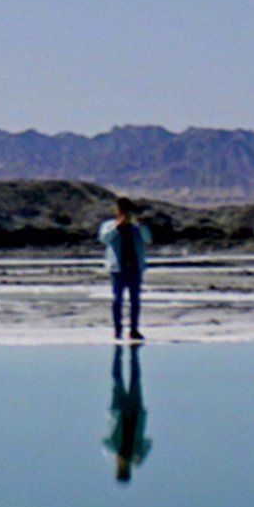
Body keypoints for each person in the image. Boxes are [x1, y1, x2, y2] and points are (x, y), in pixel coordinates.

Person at [98, 197, 150, 342]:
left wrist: (141, 225)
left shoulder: (136, 228)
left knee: (135, 300)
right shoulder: (108, 225)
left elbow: (148, 239)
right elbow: (104, 239)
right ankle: (117, 329)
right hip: (118, 268)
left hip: (134, 267)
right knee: (117, 299)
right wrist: (117, 227)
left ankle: (134, 329)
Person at [105, 344, 151, 484]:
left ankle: (117, 350)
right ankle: (134, 352)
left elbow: (105, 442)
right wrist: (139, 457)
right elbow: (148, 442)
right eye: (125, 471)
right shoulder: (137, 455)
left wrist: (118, 456)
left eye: (121, 470)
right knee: (136, 378)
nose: (123, 468)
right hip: (136, 413)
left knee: (117, 378)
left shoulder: (112, 452)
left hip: (119, 412)